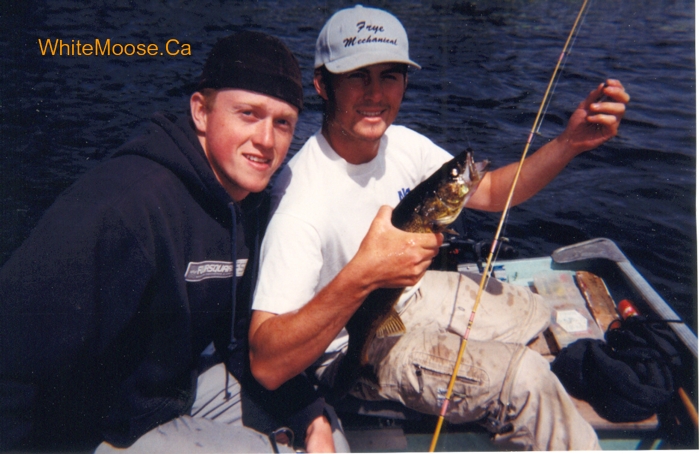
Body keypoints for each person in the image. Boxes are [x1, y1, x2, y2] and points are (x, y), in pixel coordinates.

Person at [249, 5, 630, 451]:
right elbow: (267, 363)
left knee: (532, 311)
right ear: (322, 84)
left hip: (405, 299)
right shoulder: (298, 203)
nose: (375, 92)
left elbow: (491, 191)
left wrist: (570, 143)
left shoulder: (401, 143)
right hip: (343, 345)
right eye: (357, 76)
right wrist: (365, 274)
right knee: (525, 379)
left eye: (390, 76)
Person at [0, 31, 348, 453]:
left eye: (282, 123)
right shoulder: (126, 206)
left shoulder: (246, 202)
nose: (266, 139)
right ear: (201, 111)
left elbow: (241, 337)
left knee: (329, 434)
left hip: (168, 396)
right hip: (88, 430)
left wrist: (308, 413)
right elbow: (13, 353)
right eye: (248, 114)